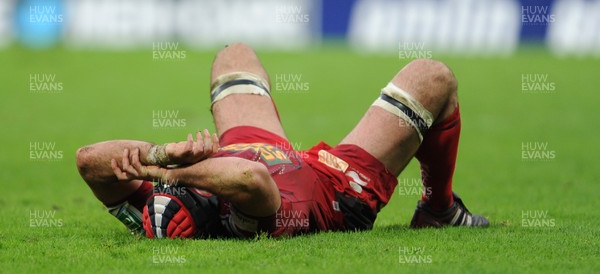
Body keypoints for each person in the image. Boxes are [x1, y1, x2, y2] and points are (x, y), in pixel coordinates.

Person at [75, 43, 489, 238]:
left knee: (234, 56)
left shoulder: (160, 201)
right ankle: (439, 209)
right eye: (190, 185)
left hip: (261, 151)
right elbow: (252, 178)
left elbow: (88, 160)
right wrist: (167, 168)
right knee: (432, 78)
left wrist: (160, 155)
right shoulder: (243, 218)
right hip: (332, 190)